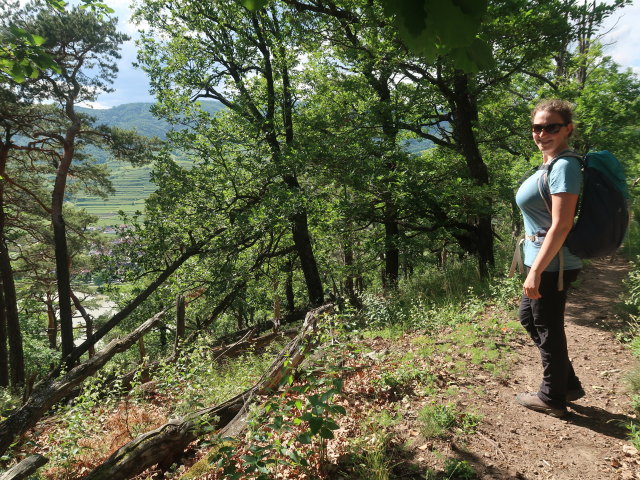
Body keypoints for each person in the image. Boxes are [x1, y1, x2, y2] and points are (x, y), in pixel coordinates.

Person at [514, 99, 585, 418]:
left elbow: (562, 224)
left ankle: (552, 397)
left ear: (567, 129)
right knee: (531, 319)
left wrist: (536, 272)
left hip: (552, 264)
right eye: (537, 127)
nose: (542, 133)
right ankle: (566, 383)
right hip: (541, 259)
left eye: (551, 127)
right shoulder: (550, 164)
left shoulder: (565, 167)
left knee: (547, 326)